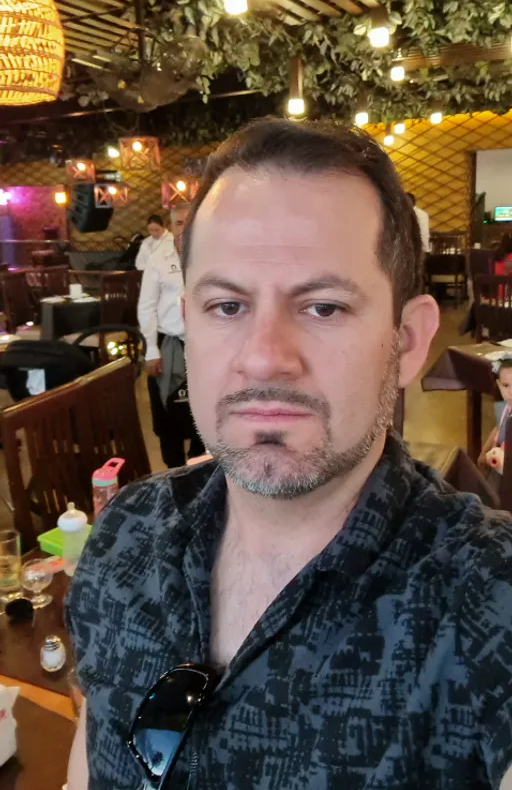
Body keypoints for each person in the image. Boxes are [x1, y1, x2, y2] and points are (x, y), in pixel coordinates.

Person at [67, 119, 512, 790]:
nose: (265, 356)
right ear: (188, 317)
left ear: (410, 340)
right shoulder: (124, 535)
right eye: (227, 305)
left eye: (324, 307)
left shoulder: (484, 598)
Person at [137, 226, 205, 468]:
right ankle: (173, 471)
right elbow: (146, 307)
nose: (182, 228)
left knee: (204, 411)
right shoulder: (158, 259)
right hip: (170, 344)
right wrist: (151, 351)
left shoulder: (209, 253)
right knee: (168, 414)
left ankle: (200, 466)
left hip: (204, 346)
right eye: (177, 223)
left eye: (189, 221)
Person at [478, 354, 512, 470]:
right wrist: (483, 454)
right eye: (506, 385)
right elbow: (498, 428)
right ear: (498, 384)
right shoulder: (505, 407)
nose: (511, 392)